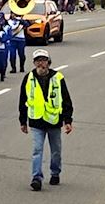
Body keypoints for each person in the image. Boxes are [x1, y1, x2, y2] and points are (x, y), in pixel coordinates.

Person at [18, 49, 74, 191]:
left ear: (48, 62)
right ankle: (36, 178)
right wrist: (23, 121)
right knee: (37, 150)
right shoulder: (28, 78)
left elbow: (66, 100)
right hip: (36, 121)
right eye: (38, 60)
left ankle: (55, 173)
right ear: (34, 63)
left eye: (43, 60)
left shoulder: (58, 77)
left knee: (56, 151)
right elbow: (23, 100)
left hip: (54, 121)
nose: (41, 63)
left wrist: (68, 121)